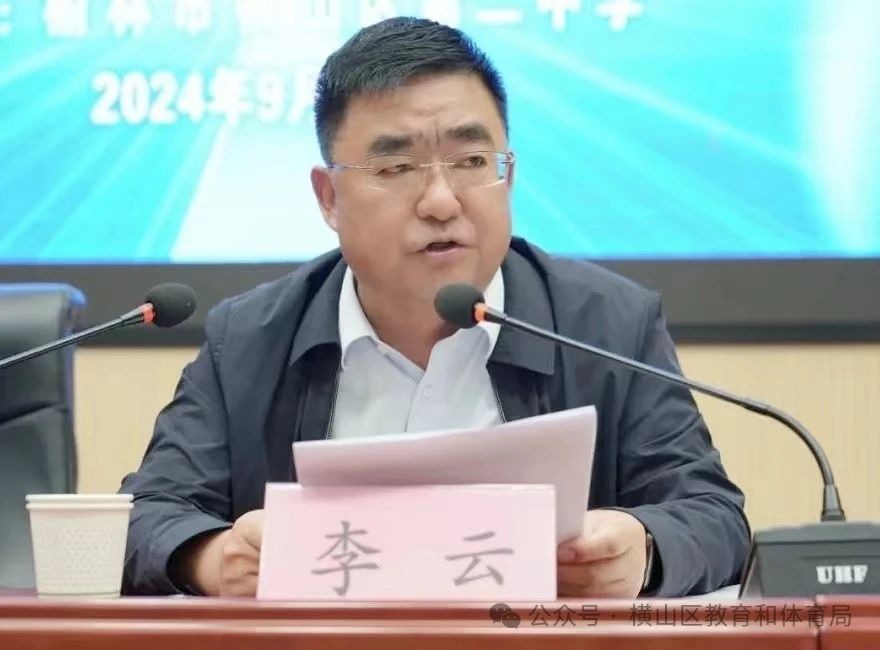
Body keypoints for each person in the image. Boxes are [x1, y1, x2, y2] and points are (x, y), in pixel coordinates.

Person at [120, 16, 750, 598]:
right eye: (397, 167)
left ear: (508, 176)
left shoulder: (607, 325)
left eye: (473, 161)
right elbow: (143, 516)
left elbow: (714, 516)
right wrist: (211, 558)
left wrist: (643, 549)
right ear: (329, 197)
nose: (442, 202)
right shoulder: (250, 339)